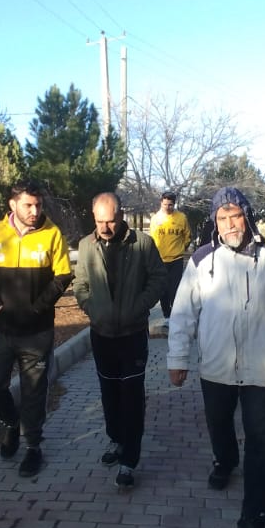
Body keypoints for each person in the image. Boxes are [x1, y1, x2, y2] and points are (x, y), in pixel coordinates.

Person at [166, 186, 265, 528]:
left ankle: (255, 517)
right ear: (215, 223)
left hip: (263, 368)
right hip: (216, 367)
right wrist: (178, 359)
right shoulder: (202, 261)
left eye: (236, 216)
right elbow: (183, 313)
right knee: (218, 422)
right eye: (222, 218)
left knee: (261, 441)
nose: (230, 224)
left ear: (247, 217)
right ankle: (225, 459)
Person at [0, 180, 74, 477]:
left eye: (38, 205)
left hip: (36, 332)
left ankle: (33, 447)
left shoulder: (52, 234)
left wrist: (37, 308)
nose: (35, 210)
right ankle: (10, 423)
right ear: (13, 204)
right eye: (28, 205)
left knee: (34, 392)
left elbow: (62, 277)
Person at [72, 192, 167, 489]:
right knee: (109, 392)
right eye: (100, 221)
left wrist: (139, 307)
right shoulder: (86, 245)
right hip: (102, 334)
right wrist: (92, 309)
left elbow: (158, 278)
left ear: (121, 215)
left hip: (132, 334)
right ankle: (116, 440)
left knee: (132, 395)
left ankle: (130, 459)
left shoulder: (142, 243)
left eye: (111, 221)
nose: (105, 227)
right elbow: (80, 284)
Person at [148, 191, 191, 322]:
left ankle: (176, 314)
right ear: (161, 203)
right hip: (160, 260)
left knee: (175, 289)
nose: (167, 207)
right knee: (163, 290)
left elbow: (187, 236)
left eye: (170, 205)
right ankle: (167, 315)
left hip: (176, 259)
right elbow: (152, 239)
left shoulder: (181, 218)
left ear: (174, 204)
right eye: (165, 204)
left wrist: (182, 248)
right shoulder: (155, 219)